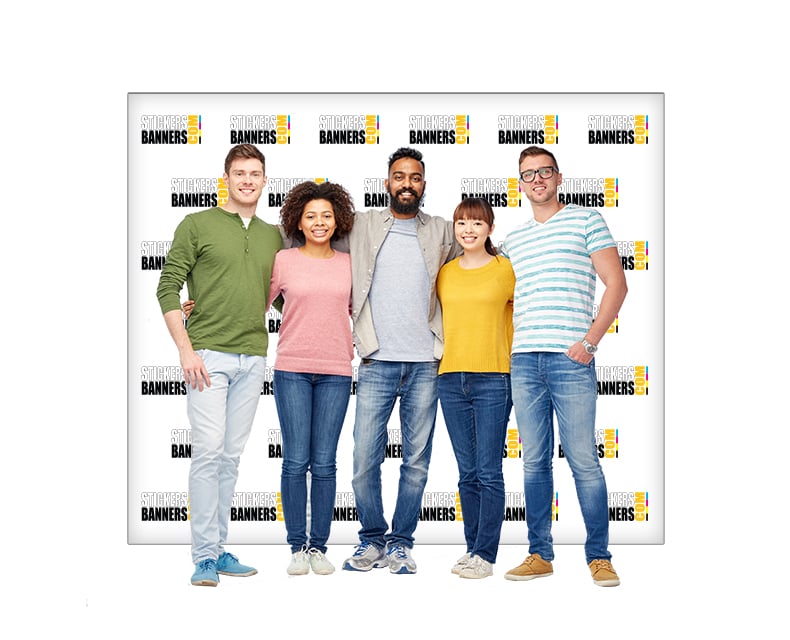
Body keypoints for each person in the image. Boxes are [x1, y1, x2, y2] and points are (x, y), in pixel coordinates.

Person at [156, 144, 283, 587]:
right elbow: (168, 287)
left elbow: (287, 298)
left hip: (254, 358)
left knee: (229, 457)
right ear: (225, 178)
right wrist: (185, 349)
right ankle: (204, 556)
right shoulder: (196, 224)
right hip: (208, 356)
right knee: (208, 453)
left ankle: (219, 547)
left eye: (255, 173)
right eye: (239, 172)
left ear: (266, 180)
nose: (247, 180)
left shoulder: (273, 236)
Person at [502, 146, 628, 587]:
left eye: (544, 171)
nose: (536, 179)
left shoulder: (586, 219)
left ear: (558, 177)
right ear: (519, 184)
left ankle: (599, 556)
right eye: (527, 174)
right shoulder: (512, 241)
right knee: (534, 463)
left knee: (583, 462)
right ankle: (540, 553)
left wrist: (589, 343)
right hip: (523, 360)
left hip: (570, 359)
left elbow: (617, 283)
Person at [340, 147, 460, 574]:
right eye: (399, 176)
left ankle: (401, 542)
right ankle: (371, 539)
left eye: (414, 177)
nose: (406, 183)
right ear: (386, 182)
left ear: (424, 185)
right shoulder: (361, 226)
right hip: (376, 360)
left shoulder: (445, 230)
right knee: (363, 461)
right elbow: (307, 249)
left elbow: (485, 251)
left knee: (416, 461)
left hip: (427, 362)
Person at [266, 181, 355, 576]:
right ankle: (296, 546)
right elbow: (254, 303)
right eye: (310, 216)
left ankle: (318, 545)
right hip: (292, 370)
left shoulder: (350, 264)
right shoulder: (284, 260)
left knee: (324, 464)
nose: (319, 223)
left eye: (326, 216)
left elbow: (364, 311)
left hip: (336, 370)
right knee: (295, 460)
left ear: (337, 221)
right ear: (298, 222)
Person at [436, 198, 515, 579]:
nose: (468, 230)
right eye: (462, 223)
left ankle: (486, 554)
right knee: (466, 472)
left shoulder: (505, 269)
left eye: (476, 224)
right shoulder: (445, 273)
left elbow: (525, 315)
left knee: (488, 471)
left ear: (489, 229)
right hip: (450, 378)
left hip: (494, 378)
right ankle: (471, 549)